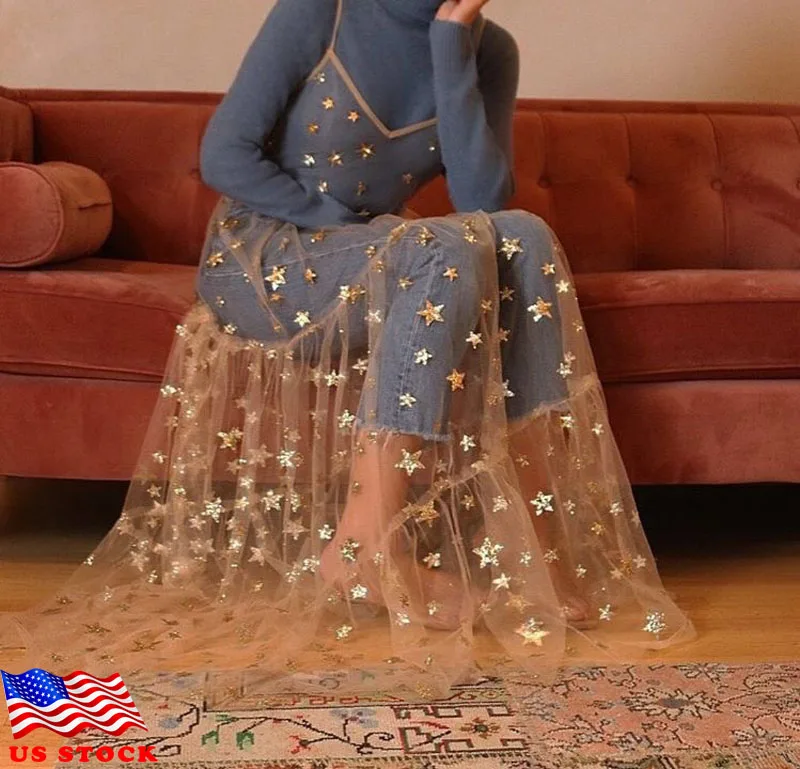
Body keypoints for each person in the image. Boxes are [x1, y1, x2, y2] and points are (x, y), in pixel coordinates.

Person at [0, 0, 695, 703]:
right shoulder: (321, 11)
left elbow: (482, 197)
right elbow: (225, 154)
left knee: (524, 235)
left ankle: (538, 543)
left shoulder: (489, 51)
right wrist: (345, 226)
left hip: (370, 253)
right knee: (444, 249)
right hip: (263, 253)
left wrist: (451, 43)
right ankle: (364, 544)